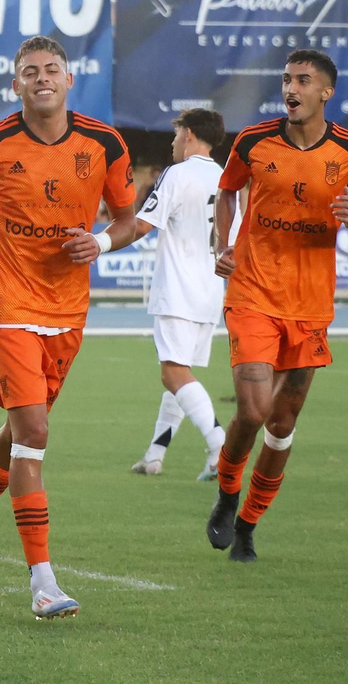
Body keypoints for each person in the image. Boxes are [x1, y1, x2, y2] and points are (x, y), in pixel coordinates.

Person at [0, 35, 141, 619]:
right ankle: (43, 582)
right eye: (31, 71)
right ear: (16, 83)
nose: (42, 77)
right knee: (34, 430)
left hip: (68, 310)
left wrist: (98, 241)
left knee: (22, 430)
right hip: (7, 303)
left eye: (52, 69)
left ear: (69, 80)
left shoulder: (104, 143)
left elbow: (128, 220)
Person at [207, 50, 348, 563]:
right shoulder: (253, 141)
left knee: (281, 425)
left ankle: (247, 525)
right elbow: (227, 192)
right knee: (253, 410)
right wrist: (224, 245)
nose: (291, 87)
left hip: (309, 306)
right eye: (286, 79)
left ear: (325, 92)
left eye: (303, 80)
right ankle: (226, 492)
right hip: (253, 292)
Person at [126, 110, 229, 480]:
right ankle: (155, 455)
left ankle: (221, 445)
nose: (172, 143)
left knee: (173, 374)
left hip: (178, 291)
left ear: (188, 134)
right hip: (209, 292)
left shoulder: (178, 174)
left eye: (174, 136)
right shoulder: (225, 177)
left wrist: (100, 241)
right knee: (177, 374)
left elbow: (142, 224)